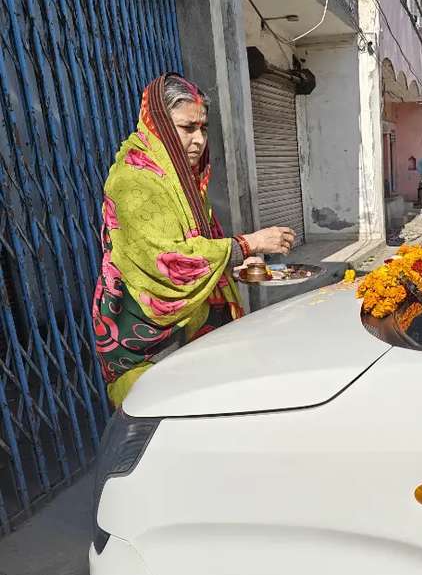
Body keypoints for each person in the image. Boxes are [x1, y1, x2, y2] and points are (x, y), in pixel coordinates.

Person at [92, 73, 295, 406]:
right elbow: (168, 261)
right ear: (157, 124)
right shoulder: (134, 181)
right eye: (187, 128)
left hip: (190, 326)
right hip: (146, 338)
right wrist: (249, 244)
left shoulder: (184, 179)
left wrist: (239, 262)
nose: (199, 140)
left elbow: (203, 238)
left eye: (203, 128)